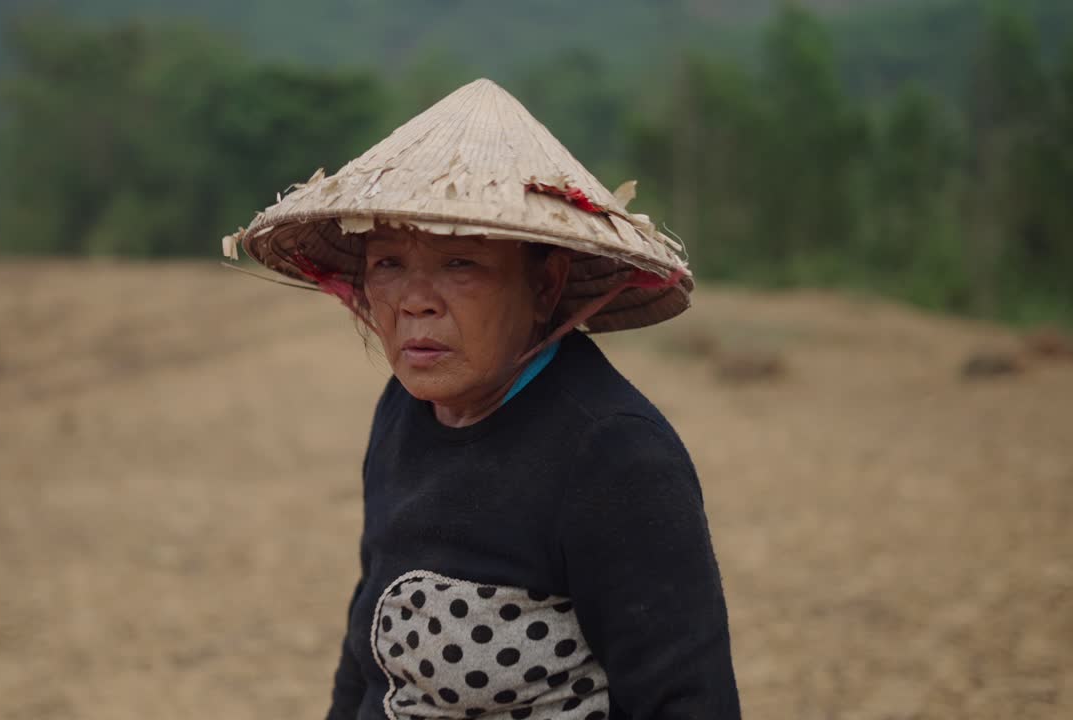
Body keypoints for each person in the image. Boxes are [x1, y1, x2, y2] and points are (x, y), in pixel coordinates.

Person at [224, 78, 740, 720]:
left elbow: (686, 701)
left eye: (459, 263)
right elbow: (369, 649)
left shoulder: (613, 454)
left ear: (545, 286)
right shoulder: (404, 410)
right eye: (387, 263)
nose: (415, 300)